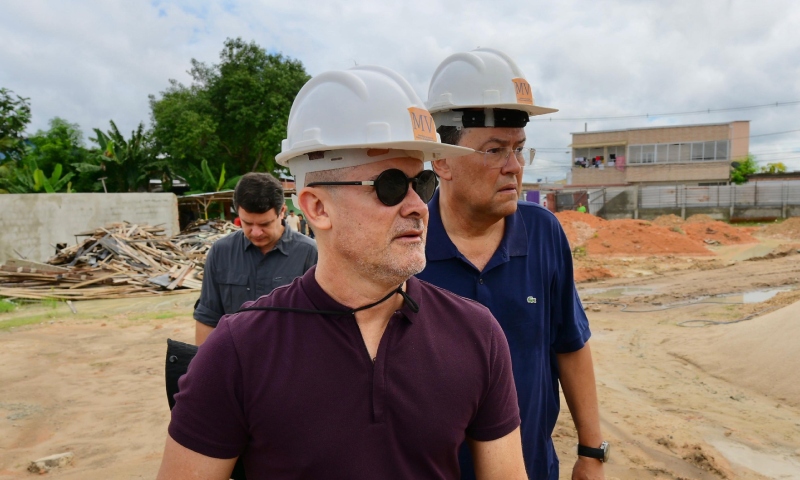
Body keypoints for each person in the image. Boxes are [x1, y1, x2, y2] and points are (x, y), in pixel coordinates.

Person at [158, 65, 527, 480]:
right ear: (316, 207)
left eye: (421, 184)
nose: (417, 206)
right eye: (389, 186)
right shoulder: (239, 351)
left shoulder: (476, 334)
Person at [418, 48, 607, 480]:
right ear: (441, 160)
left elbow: (570, 346)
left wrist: (592, 452)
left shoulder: (543, 234)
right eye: (494, 150)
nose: (515, 167)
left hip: (532, 468)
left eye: (520, 149)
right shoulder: (406, 243)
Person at [193, 173, 317, 346]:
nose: (256, 232)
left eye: (265, 224)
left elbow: (322, 322)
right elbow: (208, 316)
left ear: (281, 212)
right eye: (247, 224)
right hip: (236, 363)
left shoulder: (310, 253)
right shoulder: (221, 252)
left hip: (289, 363)